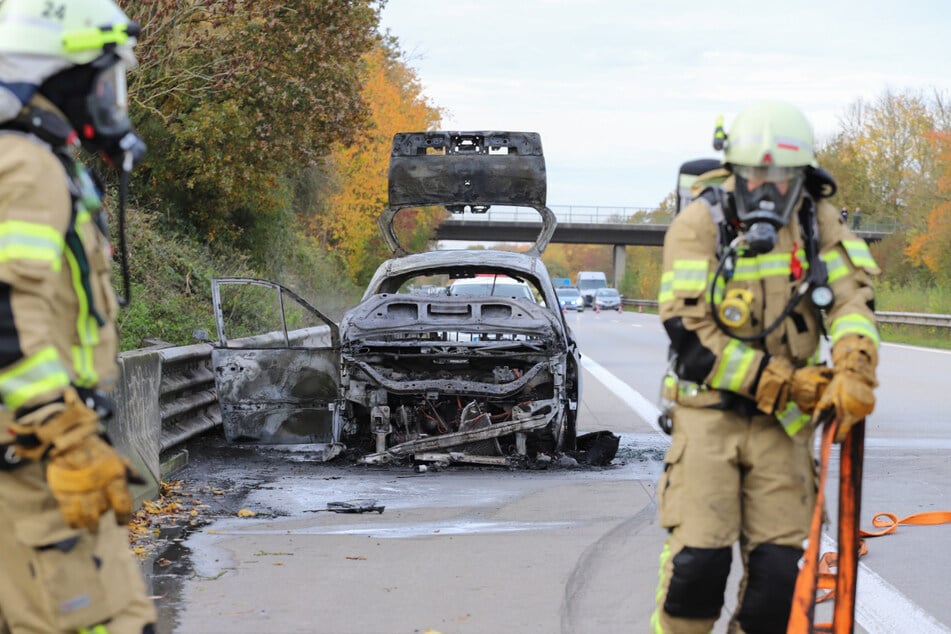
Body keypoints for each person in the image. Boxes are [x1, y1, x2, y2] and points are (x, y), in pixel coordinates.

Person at [652, 101, 879, 633]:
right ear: (735, 171)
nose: (769, 187)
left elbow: (853, 298)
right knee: (698, 570)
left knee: (780, 577)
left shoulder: (814, 219)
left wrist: (854, 366)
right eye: (757, 173)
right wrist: (785, 381)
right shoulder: (696, 225)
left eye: (782, 176)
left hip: (784, 427)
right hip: (709, 416)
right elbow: (692, 341)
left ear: (802, 176)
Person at [0, 1, 156, 632]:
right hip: (40, 456)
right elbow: (6, 312)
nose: (107, 98)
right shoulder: (24, 167)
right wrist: (59, 430)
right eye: (102, 78)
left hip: (50, 453)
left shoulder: (40, 163)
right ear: (55, 74)